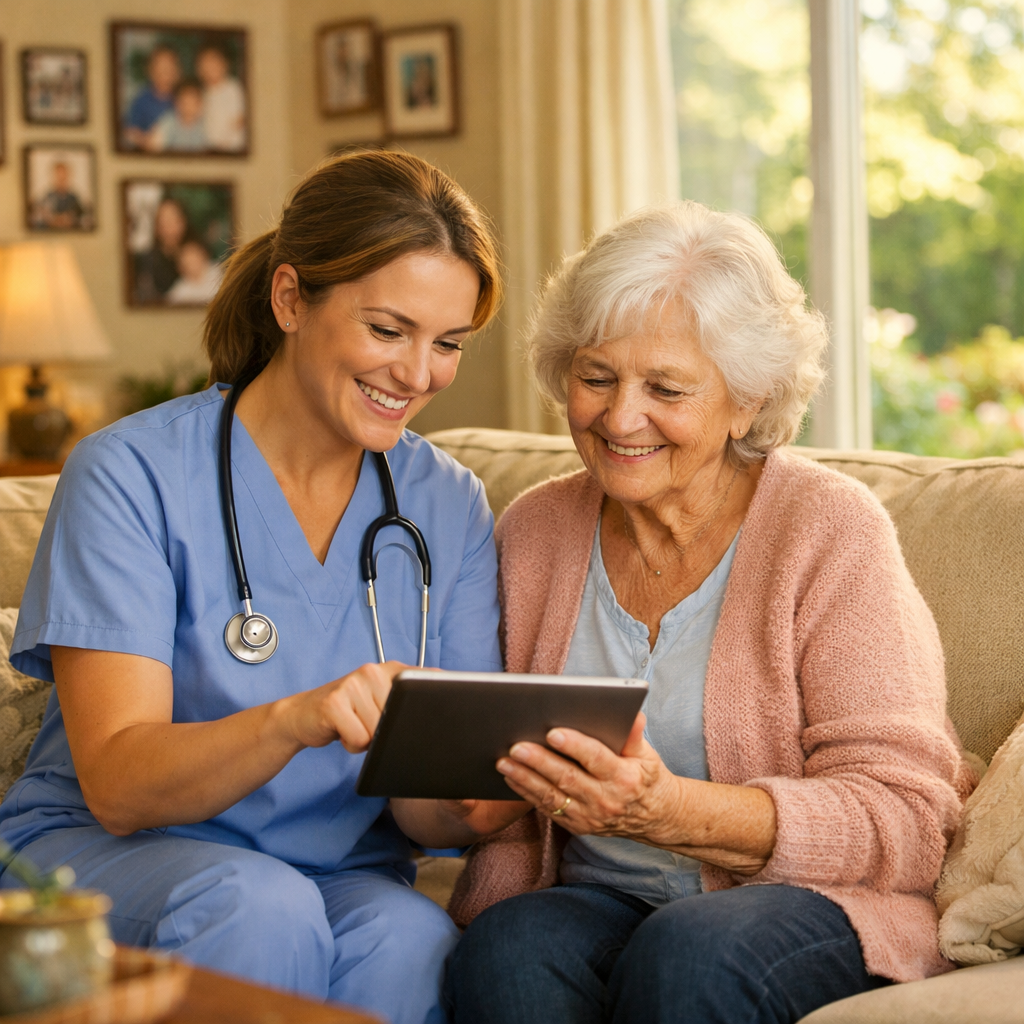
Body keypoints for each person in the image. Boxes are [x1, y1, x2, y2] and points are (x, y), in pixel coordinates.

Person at [0, 151, 513, 1024]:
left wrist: (484, 800)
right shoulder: (130, 475)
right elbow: (121, 784)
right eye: (389, 330)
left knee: (410, 939)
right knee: (255, 906)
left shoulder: (447, 503)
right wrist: (294, 717)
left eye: (449, 344)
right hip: (112, 854)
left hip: (339, 871)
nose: (419, 373)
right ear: (289, 300)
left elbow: (428, 813)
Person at [444, 202, 979, 1024]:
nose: (621, 418)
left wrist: (669, 812)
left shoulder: (829, 531)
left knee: (691, 949)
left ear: (746, 399)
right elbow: (490, 772)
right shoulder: (535, 531)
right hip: (597, 897)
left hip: (796, 902)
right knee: (506, 947)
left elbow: (907, 816)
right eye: (596, 377)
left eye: (666, 388)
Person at [133, 197, 189, 303]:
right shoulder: (147, 261)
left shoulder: (196, 254)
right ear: (157, 227)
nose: (170, 227)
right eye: (165, 221)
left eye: (175, 220)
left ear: (183, 223)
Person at [123, 45, 181, 150]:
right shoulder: (141, 100)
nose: (166, 73)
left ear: (178, 71)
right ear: (151, 71)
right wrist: (145, 141)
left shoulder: (183, 96)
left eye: (170, 67)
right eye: (160, 68)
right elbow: (129, 132)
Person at [196, 45, 246, 152]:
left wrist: (225, 141)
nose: (210, 69)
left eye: (214, 63)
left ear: (225, 64)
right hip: (210, 148)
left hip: (233, 146)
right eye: (205, 66)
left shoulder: (233, 88)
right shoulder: (203, 94)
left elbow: (240, 118)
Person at [149, 80, 206, 152]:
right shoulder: (169, 121)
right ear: (176, 103)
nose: (188, 107)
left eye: (192, 103)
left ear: (200, 104)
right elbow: (154, 144)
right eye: (184, 102)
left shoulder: (205, 124)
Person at [166, 239, 224, 305]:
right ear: (180, 267)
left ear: (203, 255)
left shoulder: (221, 273)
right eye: (188, 262)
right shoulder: (179, 292)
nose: (193, 263)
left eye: (195, 257)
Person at [32, 161, 84, 231]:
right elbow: (40, 219)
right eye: (58, 177)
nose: (61, 180)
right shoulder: (47, 198)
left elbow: (81, 219)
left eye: (63, 177)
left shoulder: (74, 199)